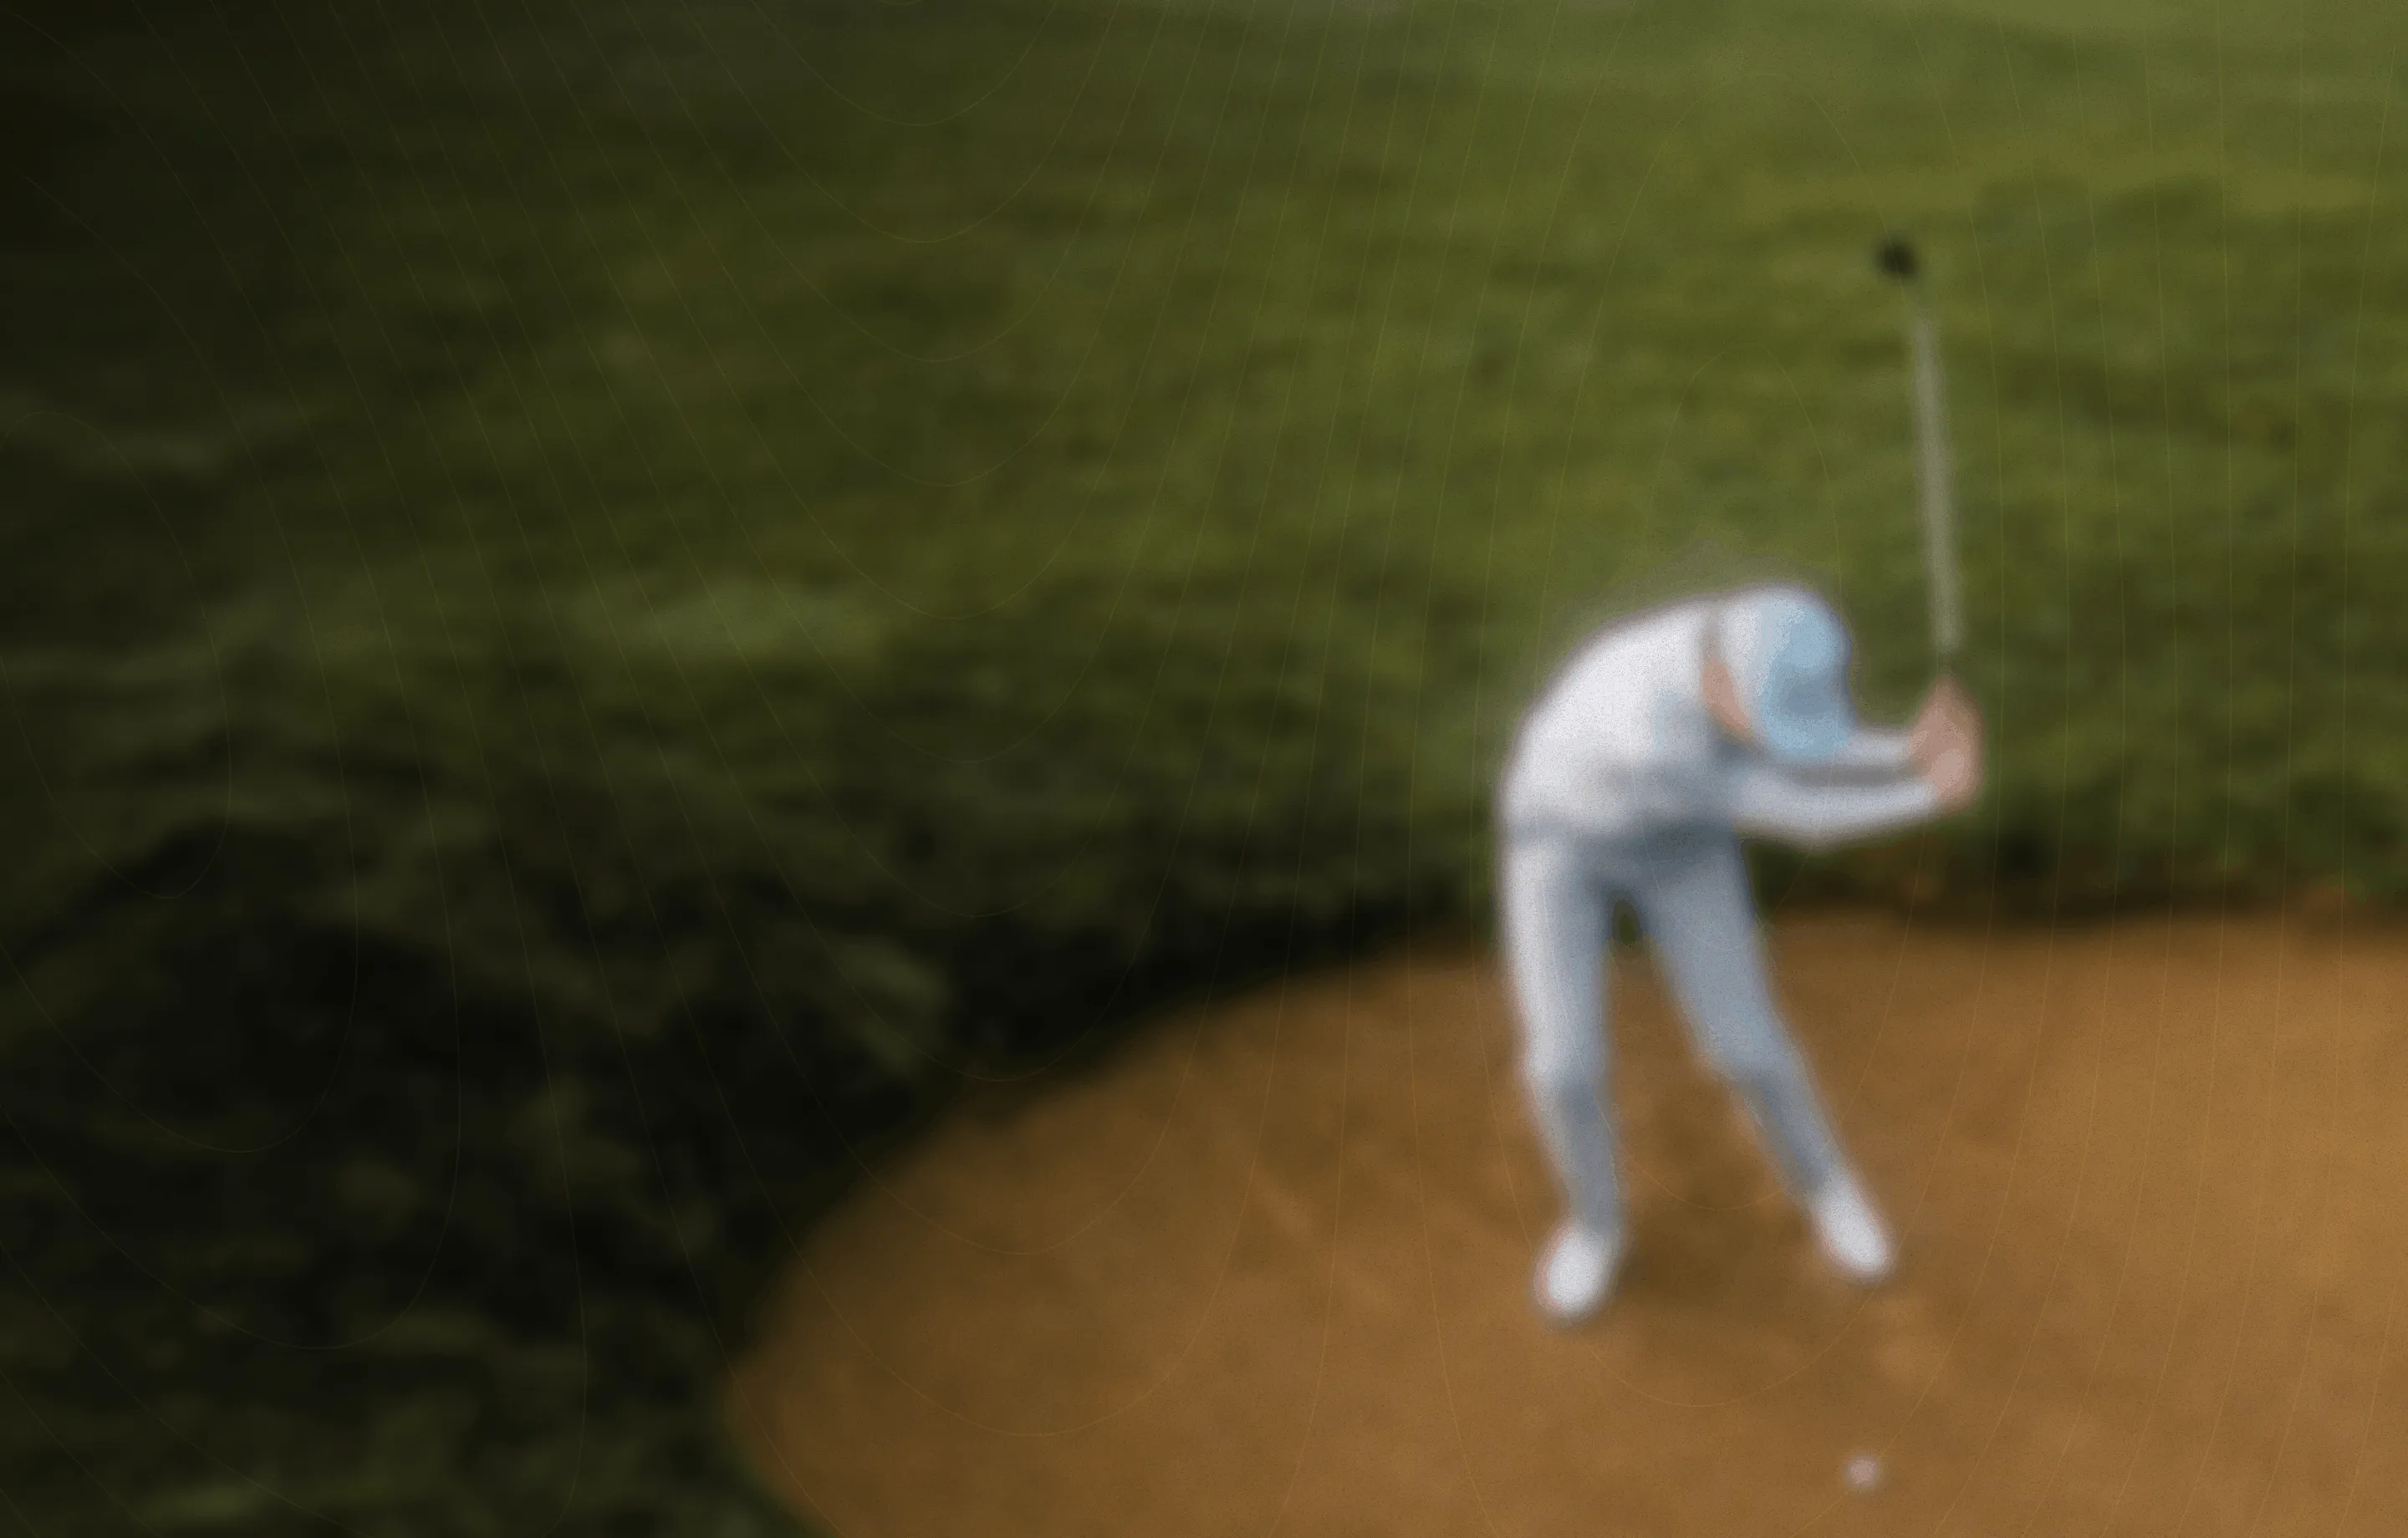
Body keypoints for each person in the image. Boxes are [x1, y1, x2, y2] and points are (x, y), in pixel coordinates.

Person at [1496, 582, 1982, 1326]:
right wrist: (1927, 797)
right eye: (1765, 717)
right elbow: (1802, 815)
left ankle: (1825, 1186)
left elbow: (1793, 749)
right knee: (1563, 1065)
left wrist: (1903, 752)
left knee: (1748, 1047)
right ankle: (1596, 1227)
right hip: (1559, 842)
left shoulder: (1741, 650)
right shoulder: (1650, 724)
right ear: (1722, 682)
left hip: (1680, 844)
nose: (1773, 731)